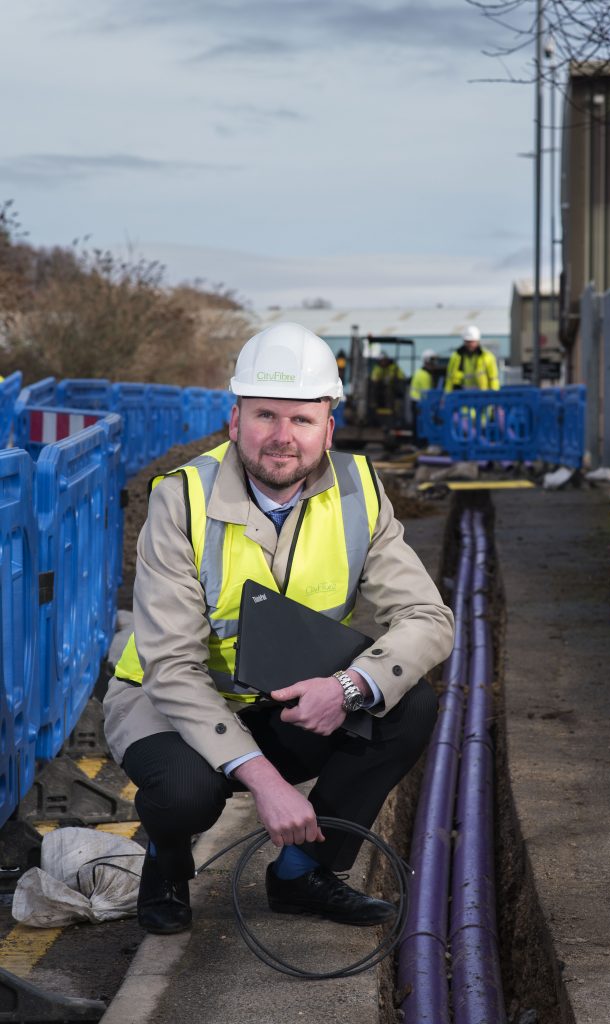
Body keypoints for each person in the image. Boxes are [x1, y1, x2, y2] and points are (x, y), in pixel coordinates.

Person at [103, 322, 454, 936]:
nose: (282, 438)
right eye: (265, 416)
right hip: (170, 705)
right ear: (234, 420)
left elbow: (429, 619)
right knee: (189, 793)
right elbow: (171, 667)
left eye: (301, 420)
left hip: (285, 705)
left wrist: (347, 687)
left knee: (406, 704)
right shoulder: (181, 499)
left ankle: (301, 874)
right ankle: (165, 859)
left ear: (328, 429)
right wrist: (267, 783)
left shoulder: (360, 491)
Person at [444, 325, 500, 393]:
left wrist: (494, 395)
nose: (470, 344)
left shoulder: (487, 357)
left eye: (472, 341)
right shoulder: (456, 357)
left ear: (477, 341)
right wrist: (447, 394)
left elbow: (493, 378)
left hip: (482, 395)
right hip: (462, 395)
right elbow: (450, 378)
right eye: (468, 341)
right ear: (464, 341)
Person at [409, 349, 437, 446]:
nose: (434, 364)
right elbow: (427, 393)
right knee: (420, 425)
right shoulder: (424, 375)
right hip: (419, 403)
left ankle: (418, 444)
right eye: (432, 361)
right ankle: (419, 444)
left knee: (418, 424)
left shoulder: (421, 373)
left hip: (417, 402)